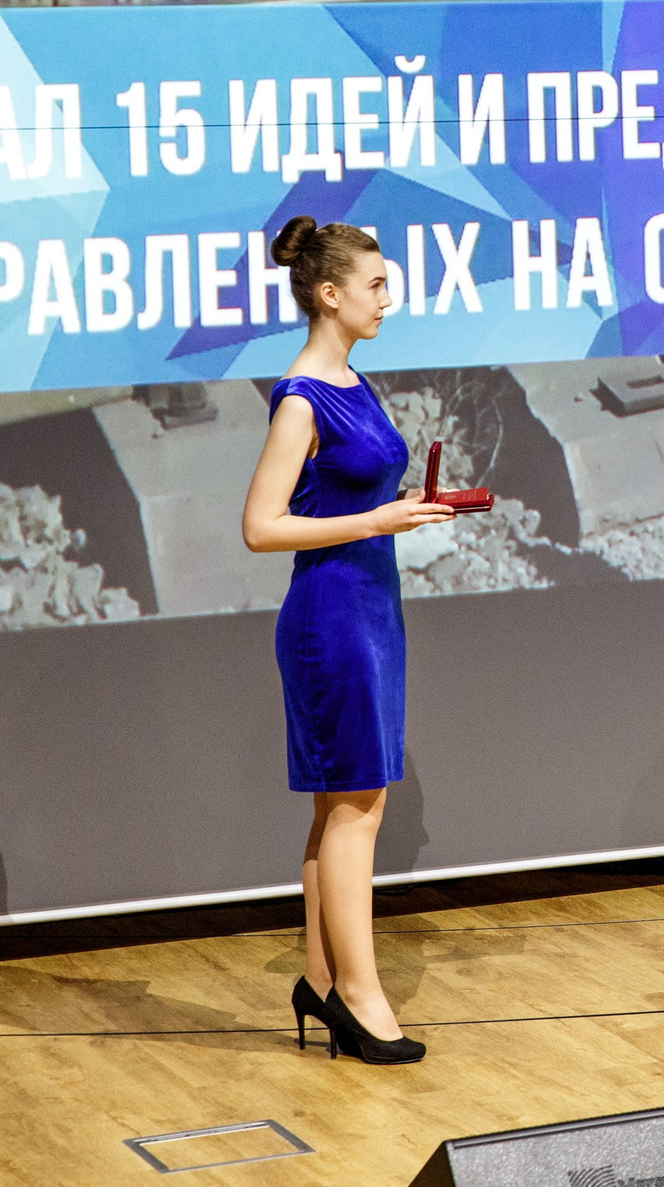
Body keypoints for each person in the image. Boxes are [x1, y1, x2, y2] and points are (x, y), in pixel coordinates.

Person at [240, 219, 451, 1065]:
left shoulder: (352, 380)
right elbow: (260, 526)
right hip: (331, 617)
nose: (387, 300)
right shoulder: (302, 397)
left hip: (370, 607)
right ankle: (361, 1000)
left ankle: (322, 982)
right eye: (375, 286)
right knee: (357, 806)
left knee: (341, 806)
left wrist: (415, 508)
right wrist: (378, 517)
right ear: (330, 293)